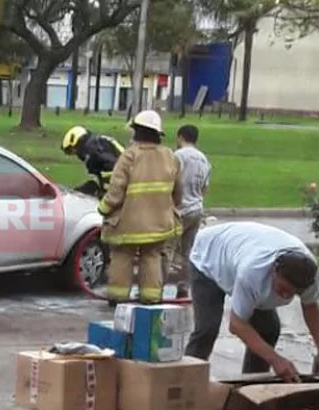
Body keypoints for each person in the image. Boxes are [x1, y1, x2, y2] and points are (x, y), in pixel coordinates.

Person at [184, 221, 319, 382]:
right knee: (207, 329)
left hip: (241, 249)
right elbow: (237, 324)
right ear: (273, 271)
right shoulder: (252, 273)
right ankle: (185, 384)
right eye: (282, 288)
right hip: (208, 255)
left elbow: (310, 306)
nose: (285, 296)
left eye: (293, 292)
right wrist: (275, 359)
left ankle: (252, 386)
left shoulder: (308, 275)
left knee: (268, 330)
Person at [98, 110, 183, 306]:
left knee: (122, 256)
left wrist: (104, 208)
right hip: (159, 223)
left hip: (129, 223)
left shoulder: (129, 156)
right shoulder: (170, 156)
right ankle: (151, 297)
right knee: (151, 256)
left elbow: (116, 190)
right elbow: (178, 192)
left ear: (136, 131)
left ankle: (118, 297)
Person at [165, 124, 211, 299]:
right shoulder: (204, 160)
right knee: (188, 252)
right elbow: (204, 188)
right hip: (196, 210)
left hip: (178, 210)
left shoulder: (177, 156)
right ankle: (183, 288)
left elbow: (169, 181)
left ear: (180, 137)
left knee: (166, 250)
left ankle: (157, 286)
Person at [61, 126, 124, 196]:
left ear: (77, 142)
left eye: (72, 150)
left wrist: (105, 187)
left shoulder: (93, 149)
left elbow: (113, 164)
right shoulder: (96, 142)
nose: (74, 154)